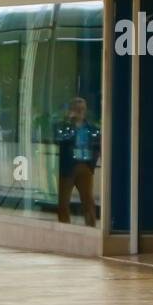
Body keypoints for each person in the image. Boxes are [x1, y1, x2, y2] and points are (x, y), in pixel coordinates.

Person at [54, 97, 100, 226]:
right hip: (69, 167)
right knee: (63, 201)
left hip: (85, 166)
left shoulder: (91, 128)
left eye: (82, 109)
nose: (79, 112)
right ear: (71, 110)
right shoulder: (64, 126)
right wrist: (69, 122)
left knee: (88, 201)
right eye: (77, 109)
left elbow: (97, 145)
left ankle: (91, 227)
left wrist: (91, 164)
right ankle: (64, 227)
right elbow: (60, 138)